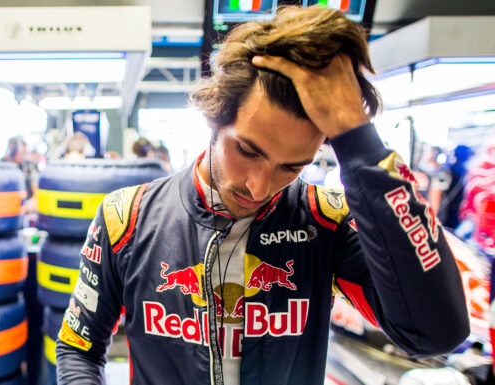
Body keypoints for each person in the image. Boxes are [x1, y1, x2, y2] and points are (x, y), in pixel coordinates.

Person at [56, 6, 469, 385]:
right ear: (214, 119)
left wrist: (359, 143)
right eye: (248, 150)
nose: (259, 186)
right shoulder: (127, 216)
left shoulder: (324, 220)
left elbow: (435, 333)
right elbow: (78, 348)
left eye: (291, 166)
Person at [1, 135, 38, 223]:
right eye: (21, 152)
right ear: (12, 150)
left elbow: (36, 192)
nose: (23, 155)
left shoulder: (28, 167)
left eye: (25, 152)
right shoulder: (1, 167)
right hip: (5, 212)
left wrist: (29, 205)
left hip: (26, 212)